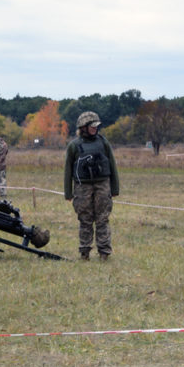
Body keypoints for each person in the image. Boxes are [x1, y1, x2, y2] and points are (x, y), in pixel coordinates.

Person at [64, 111, 120, 260]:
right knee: (85, 220)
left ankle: (104, 252)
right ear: (83, 127)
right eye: (92, 126)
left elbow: (112, 165)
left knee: (102, 219)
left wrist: (115, 189)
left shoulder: (103, 143)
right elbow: (68, 170)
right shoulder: (74, 146)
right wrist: (68, 193)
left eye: (96, 126)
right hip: (82, 188)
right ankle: (84, 252)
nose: (95, 128)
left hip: (103, 186)